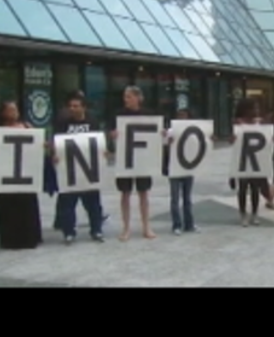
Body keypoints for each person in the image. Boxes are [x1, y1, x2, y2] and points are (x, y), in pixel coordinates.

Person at [53, 94, 105, 244]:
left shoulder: (92, 122)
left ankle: (96, 230)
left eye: (76, 106)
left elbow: (99, 143)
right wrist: (54, 154)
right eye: (70, 106)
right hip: (69, 171)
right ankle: (69, 232)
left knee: (93, 204)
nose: (72, 109)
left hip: (89, 171)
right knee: (67, 204)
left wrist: (104, 153)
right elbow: (56, 143)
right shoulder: (63, 123)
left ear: (84, 107)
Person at [0, 101, 43, 249]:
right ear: (2, 112)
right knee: (7, 207)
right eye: (9, 110)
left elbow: (37, 147)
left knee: (26, 206)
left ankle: (30, 238)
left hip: (25, 173)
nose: (13, 113)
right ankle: (9, 240)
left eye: (15, 110)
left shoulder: (27, 127)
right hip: (5, 174)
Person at [110, 86, 157, 240]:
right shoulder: (118, 115)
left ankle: (146, 226)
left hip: (142, 158)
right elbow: (110, 134)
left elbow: (155, 135)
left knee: (143, 193)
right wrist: (113, 135)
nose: (126, 100)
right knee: (125, 193)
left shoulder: (148, 114)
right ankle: (126, 227)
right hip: (126, 159)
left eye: (129, 97)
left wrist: (161, 133)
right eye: (125, 97)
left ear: (138, 98)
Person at [232, 98, 267, 226]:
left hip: (255, 159)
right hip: (242, 159)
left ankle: (254, 213)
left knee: (255, 189)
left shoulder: (259, 123)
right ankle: (243, 214)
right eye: (253, 108)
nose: (256, 111)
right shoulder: (238, 123)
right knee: (242, 188)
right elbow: (233, 141)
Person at [164, 108, 198, 235]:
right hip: (174, 168)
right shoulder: (171, 131)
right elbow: (165, 148)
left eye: (184, 116)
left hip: (188, 167)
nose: (181, 118)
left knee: (187, 198)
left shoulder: (193, 130)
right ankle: (176, 224)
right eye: (179, 116)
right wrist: (168, 142)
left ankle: (189, 224)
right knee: (175, 198)